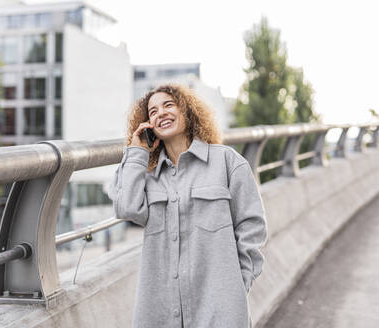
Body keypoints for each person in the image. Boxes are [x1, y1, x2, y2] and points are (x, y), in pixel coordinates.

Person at [107, 84, 267, 328]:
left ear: (187, 111)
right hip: (160, 310)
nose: (160, 113)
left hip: (219, 310)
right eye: (152, 112)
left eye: (168, 105)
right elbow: (127, 208)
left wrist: (236, 285)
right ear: (148, 125)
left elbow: (252, 227)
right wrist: (137, 152)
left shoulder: (227, 162)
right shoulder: (147, 175)